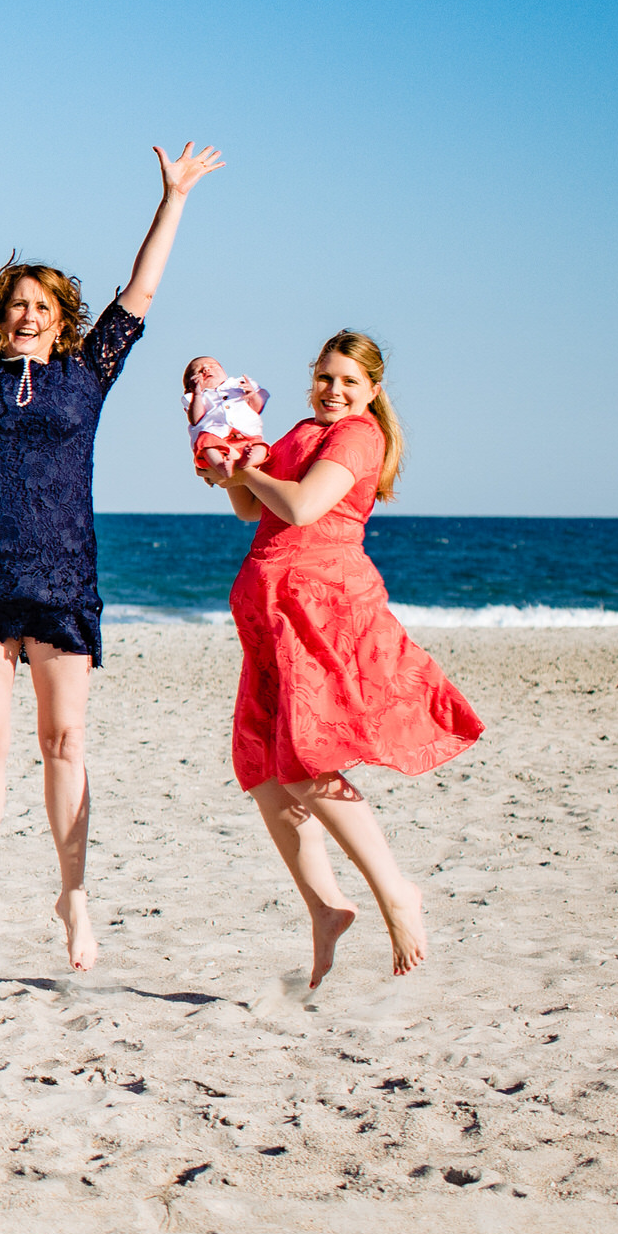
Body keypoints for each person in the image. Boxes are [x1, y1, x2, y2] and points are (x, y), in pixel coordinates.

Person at [0, 135, 224, 976]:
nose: (28, 314)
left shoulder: (87, 374)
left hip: (63, 581)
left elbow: (140, 292)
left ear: (62, 317)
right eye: (16, 304)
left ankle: (73, 895)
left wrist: (174, 196)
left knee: (65, 741)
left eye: (42, 305)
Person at [205, 330, 480, 986]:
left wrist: (248, 469)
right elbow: (248, 508)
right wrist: (228, 452)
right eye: (326, 377)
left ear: (372, 391)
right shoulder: (302, 432)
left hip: (319, 609)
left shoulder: (358, 436)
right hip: (269, 615)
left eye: (349, 382)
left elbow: (301, 507)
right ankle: (326, 908)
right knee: (261, 766)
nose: (334, 390)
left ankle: (396, 893)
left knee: (306, 757)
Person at [183, 357, 272, 474]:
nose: (206, 369)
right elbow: (196, 420)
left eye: (212, 366)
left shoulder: (238, 385)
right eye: (198, 371)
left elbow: (256, 408)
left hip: (247, 435)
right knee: (207, 444)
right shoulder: (196, 397)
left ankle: (248, 461)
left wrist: (253, 395)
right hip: (217, 438)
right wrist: (197, 394)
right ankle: (221, 465)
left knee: (261, 447)